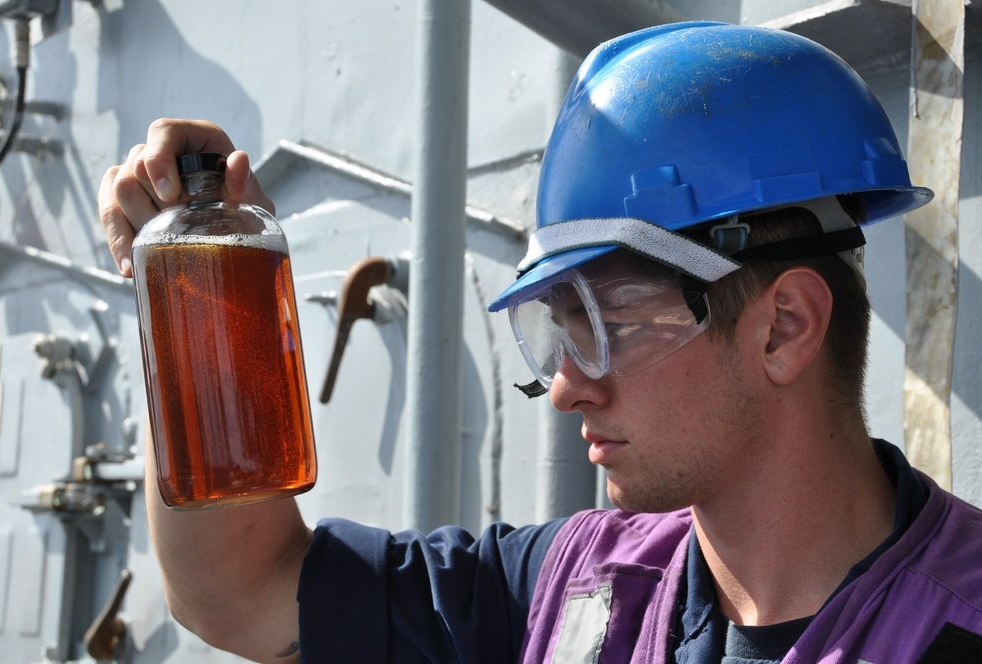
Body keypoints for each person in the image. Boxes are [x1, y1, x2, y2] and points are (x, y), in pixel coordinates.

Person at [98, 21, 982, 664]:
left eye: (609, 325)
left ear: (784, 327)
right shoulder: (576, 585)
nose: (565, 389)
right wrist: (194, 301)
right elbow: (239, 593)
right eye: (556, 332)